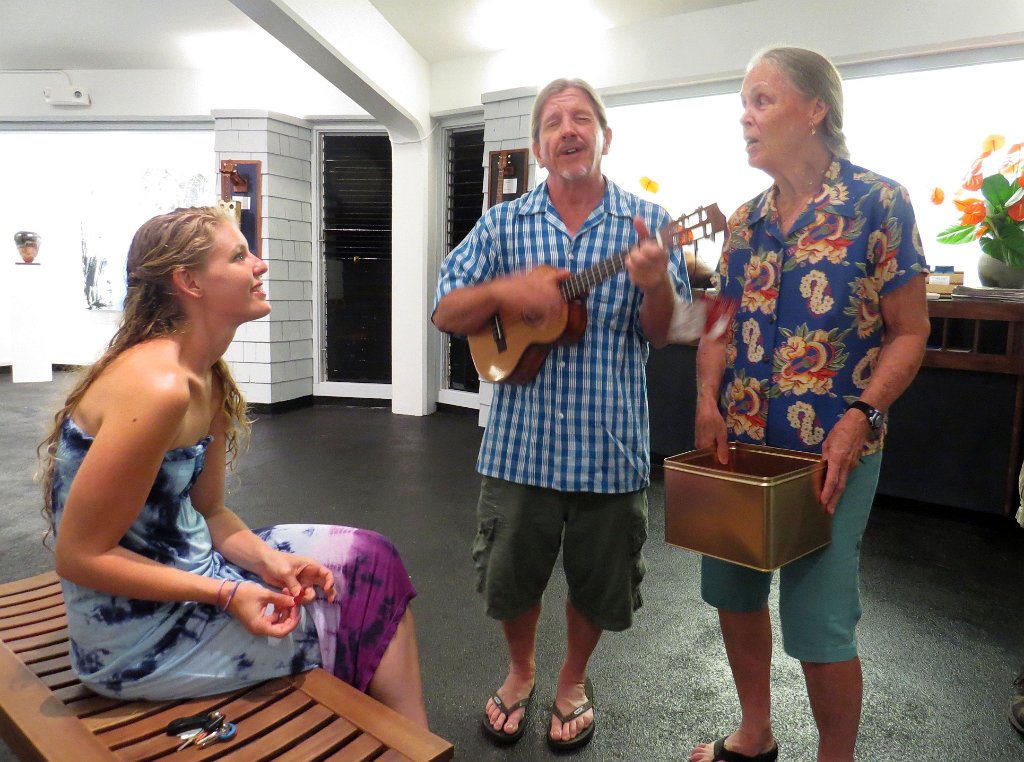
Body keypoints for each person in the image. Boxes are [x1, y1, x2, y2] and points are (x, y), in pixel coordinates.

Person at [38, 206, 428, 727]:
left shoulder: (210, 379)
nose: (260, 265)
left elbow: (212, 513)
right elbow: (79, 556)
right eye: (239, 255)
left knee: (370, 559)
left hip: (193, 575)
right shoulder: (158, 388)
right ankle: (411, 742)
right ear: (189, 282)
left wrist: (269, 562)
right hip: (137, 637)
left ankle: (414, 744)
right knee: (353, 609)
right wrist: (229, 591)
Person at [432, 78, 691, 750]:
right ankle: (520, 673)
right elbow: (446, 312)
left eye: (582, 118)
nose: (568, 129)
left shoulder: (647, 225)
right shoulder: (502, 224)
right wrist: (505, 288)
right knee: (511, 576)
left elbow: (664, 333)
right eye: (553, 121)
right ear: (539, 148)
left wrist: (654, 280)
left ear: (606, 137)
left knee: (601, 583)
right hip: (521, 446)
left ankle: (573, 679)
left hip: (611, 446)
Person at [689, 47, 930, 762]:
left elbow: (911, 331)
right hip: (740, 444)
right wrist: (706, 396)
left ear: (816, 110)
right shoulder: (743, 221)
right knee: (733, 590)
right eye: (745, 100)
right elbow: (717, 326)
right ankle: (755, 733)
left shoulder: (877, 203)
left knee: (819, 621)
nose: (746, 114)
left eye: (762, 99)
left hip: (833, 454)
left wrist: (863, 415)